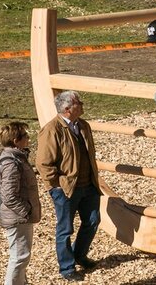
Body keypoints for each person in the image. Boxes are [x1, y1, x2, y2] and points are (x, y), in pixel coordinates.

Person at [36, 90, 101, 282]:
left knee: (92, 221)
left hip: (88, 185)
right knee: (65, 229)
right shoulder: (52, 130)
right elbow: (43, 163)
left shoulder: (84, 126)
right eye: (78, 103)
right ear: (67, 109)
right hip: (66, 189)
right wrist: (58, 184)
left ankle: (79, 255)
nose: (82, 105)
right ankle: (66, 268)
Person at [0, 121, 41, 285]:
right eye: (25, 135)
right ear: (16, 140)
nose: (29, 138)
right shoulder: (11, 163)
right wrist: (26, 211)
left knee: (21, 256)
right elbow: (9, 196)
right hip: (17, 218)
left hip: (18, 216)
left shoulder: (17, 158)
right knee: (19, 257)